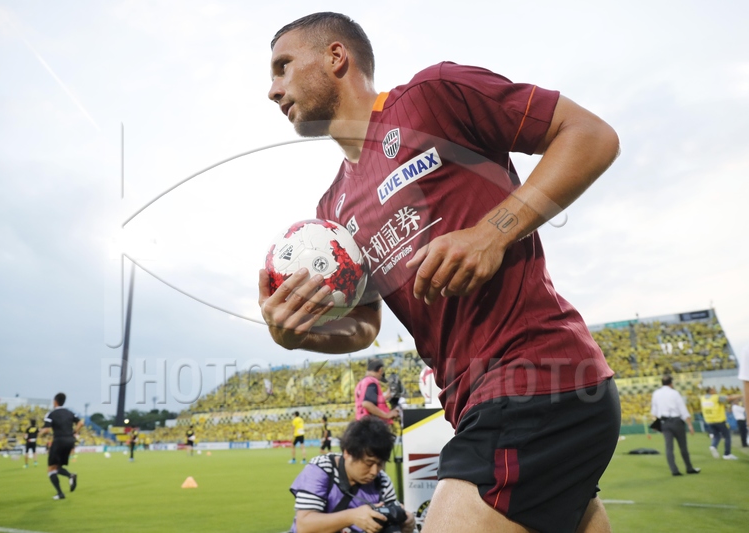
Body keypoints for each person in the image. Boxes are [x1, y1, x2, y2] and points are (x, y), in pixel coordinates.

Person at [259, 12, 621, 532]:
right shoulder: (332, 212)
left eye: (284, 67)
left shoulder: (434, 96)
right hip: (484, 403)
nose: (273, 90)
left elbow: (590, 134)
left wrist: (492, 232)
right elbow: (365, 327)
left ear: (336, 57)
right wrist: (298, 335)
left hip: (534, 377)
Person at [288, 416, 415, 533]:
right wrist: (352, 516)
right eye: (369, 463)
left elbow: (392, 519)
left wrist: (405, 523)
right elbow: (303, 526)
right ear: (347, 453)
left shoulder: (382, 481)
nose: (374, 471)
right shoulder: (321, 470)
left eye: (380, 463)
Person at [650, 375, 700, 476]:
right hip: (677, 422)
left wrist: (656, 425)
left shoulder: (656, 393)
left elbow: (654, 412)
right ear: (671, 383)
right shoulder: (674, 393)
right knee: (683, 447)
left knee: (669, 448)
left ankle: (674, 470)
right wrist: (690, 425)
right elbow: (683, 410)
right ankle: (689, 468)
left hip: (664, 423)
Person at [40, 392, 83, 500]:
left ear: (55, 401)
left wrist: (38, 434)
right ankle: (70, 476)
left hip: (59, 441)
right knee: (57, 467)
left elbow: (46, 430)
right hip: (70, 441)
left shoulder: (51, 414)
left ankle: (60, 493)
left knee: (51, 469)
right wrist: (74, 432)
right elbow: (81, 423)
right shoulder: (70, 412)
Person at [700, 386, 741, 460]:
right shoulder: (716, 397)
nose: (716, 391)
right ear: (711, 391)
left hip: (709, 420)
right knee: (727, 436)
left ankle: (713, 446)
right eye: (714, 389)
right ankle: (727, 454)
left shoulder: (703, 398)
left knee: (716, 436)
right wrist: (742, 395)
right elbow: (729, 398)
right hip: (719, 420)